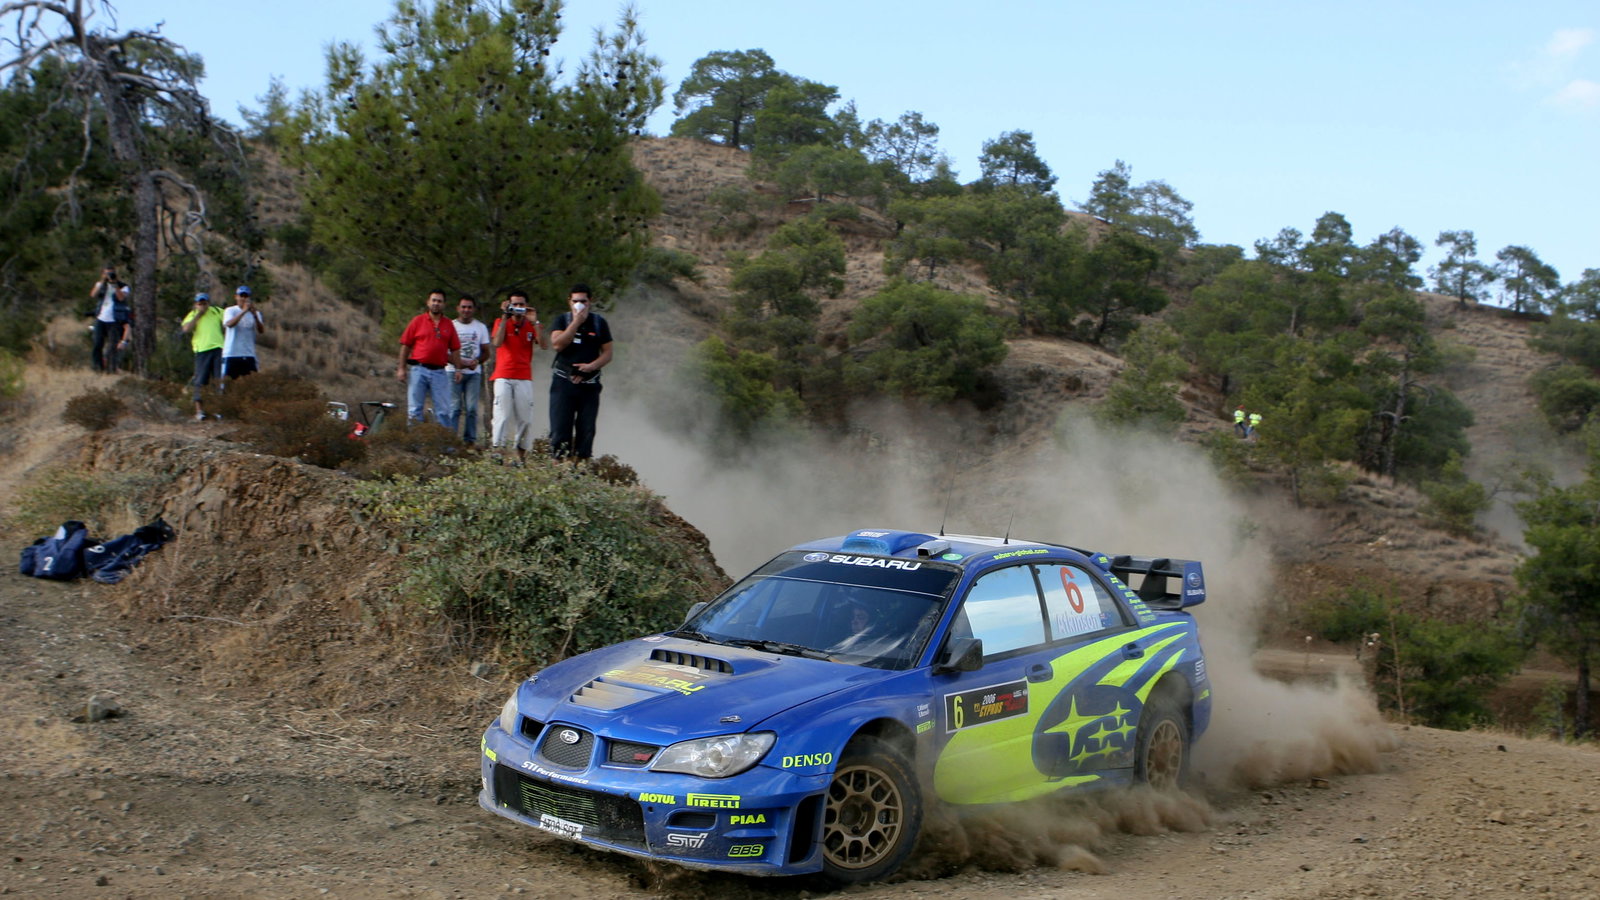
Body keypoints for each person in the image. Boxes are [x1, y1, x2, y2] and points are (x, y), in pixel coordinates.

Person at [547, 283, 613, 461]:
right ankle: (558, 469)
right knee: (560, 430)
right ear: (569, 301)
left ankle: (582, 470)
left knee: (586, 431)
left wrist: (592, 366)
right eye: (575, 301)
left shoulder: (599, 323)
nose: (579, 305)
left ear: (590, 301)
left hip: (589, 385)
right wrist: (576, 322)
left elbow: (608, 353)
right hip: (563, 383)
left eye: (583, 301)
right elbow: (557, 344)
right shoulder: (562, 320)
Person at [489, 290, 547, 462]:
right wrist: (505, 317)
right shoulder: (501, 322)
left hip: (524, 376)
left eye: (522, 304)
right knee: (502, 414)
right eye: (515, 304)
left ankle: (520, 454)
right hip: (503, 374)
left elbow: (544, 345)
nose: (519, 308)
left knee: (525, 418)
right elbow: (497, 342)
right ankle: (497, 451)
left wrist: (535, 321)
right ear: (509, 305)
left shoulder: (532, 324)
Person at [396, 289, 463, 427]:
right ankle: (415, 444)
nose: (436, 304)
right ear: (428, 302)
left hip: (439, 372)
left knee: (443, 410)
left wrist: (458, 369)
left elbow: (455, 348)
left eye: (439, 301)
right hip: (418, 370)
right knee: (414, 409)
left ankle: (444, 445)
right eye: (433, 300)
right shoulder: (417, 321)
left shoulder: (448, 324)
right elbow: (405, 345)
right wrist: (401, 368)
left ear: (444, 304)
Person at [447, 295, 491, 444]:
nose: (466, 310)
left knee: (472, 408)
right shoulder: (450, 326)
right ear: (457, 308)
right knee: (454, 407)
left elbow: (486, 351)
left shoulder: (480, 327)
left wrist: (477, 361)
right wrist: (461, 364)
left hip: (473, 374)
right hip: (452, 371)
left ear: (474, 309)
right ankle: (451, 439)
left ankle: (469, 440)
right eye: (463, 307)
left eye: (469, 307)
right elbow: (445, 352)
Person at [180, 292, 225, 421]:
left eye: (204, 303)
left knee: (218, 380)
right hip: (202, 350)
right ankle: (199, 411)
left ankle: (218, 410)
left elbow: (227, 320)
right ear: (196, 304)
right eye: (200, 303)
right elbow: (186, 329)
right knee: (200, 381)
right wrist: (199, 314)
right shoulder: (193, 315)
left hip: (217, 349)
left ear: (208, 303)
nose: (203, 305)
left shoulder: (216, 311)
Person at [87, 266, 131, 373]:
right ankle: (98, 367)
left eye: (111, 273)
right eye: (106, 273)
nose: (109, 276)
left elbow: (121, 298)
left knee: (112, 346)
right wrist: (102, 281)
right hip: (101, 318)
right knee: (97, 344)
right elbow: (93, 295)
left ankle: (111, 368)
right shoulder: (100, 285)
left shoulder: (123, 286)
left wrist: (115, 285)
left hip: (115, 319)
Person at [221, 285, 265, 381]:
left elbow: (261, 330)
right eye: (241, 296)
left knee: (252, 384)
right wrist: (244, 312)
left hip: (249, 354)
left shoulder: (255, 313)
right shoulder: (230, 310)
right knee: (228, 383)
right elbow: (229, 324)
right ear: (236, 297)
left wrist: (255, 316)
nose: (243, 299)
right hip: (232, 354)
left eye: (246, 296)